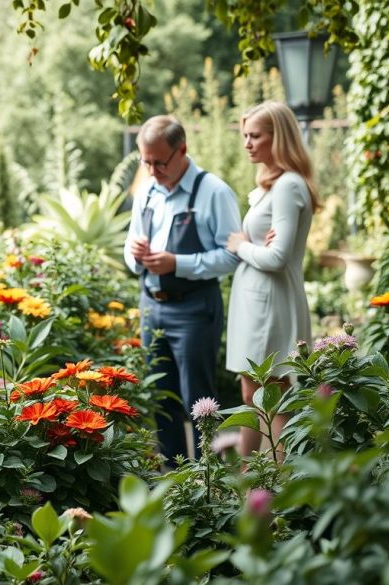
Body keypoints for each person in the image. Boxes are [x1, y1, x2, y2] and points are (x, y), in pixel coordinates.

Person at [123, 115, 242, 463]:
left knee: (198, 401)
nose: (153, 169)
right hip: (151, 306)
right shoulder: (145, 190)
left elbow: (232, 256)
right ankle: (177, 482)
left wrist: (178, 263)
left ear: (182, 150)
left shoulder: (214, 192)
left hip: (194, 309)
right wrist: (136, 256)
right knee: (161, 400)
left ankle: (210, 480)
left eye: (160, 162)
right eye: (146, 162)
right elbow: (130, 245)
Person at [225, 101, 318, 457]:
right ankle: (247, 479)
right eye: (245, 135)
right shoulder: (273, 183)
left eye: (255, 135)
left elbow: (277, 258)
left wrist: (241, 246)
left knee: (272, 394)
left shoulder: (288, 186)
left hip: (270, 302)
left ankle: (280, 484)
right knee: (251, 394)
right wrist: (253, 249)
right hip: (255, 300)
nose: (247, 143)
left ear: (277, 137)